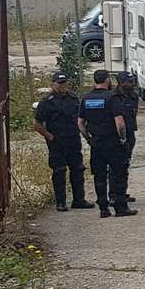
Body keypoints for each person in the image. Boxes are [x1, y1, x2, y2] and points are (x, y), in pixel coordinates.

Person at [32, 71, 93, 212]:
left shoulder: (72, 98)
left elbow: (80, 117)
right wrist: (49, 136)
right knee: (59, 171)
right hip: (57, 142)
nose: (63, 86)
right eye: (60, 83)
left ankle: (79, 200)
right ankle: (61, 202)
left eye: (64, 83)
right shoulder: (46, 102)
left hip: (73, 139)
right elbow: (37, 124)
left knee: (78, 169)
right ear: (52, 84)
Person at [79, 69, 136, 218]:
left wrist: (88, 139)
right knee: (119, 174)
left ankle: (103, 208)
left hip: (96, 143)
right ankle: (120, 207)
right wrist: (123, 139)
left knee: (99, 176)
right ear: (107, 80)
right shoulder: (112, 98)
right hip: (113, 143)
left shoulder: (86, 98)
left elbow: (80, 123)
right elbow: (120, 122)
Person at [116, 71, 141, 205]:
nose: (132, 84)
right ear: (121, 83)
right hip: (116, 135)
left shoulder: (134, 97)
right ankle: (114, 194)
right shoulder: (114, 97)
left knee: (125, 164)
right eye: (128, 82)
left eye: (132, 81)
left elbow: (134, 114)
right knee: (116, 166)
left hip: (130, 133)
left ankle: (122, 193)